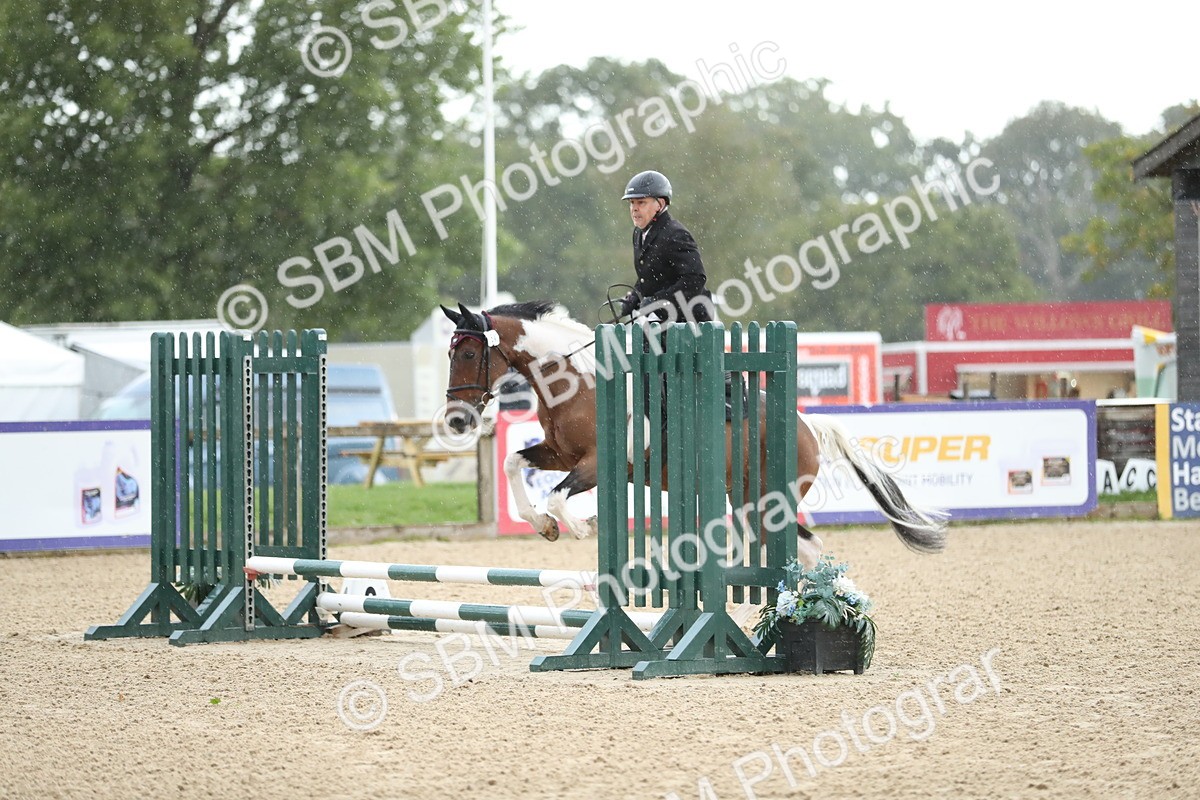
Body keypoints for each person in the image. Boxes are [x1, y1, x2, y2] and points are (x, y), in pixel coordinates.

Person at [617, 170, 716, 325]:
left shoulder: (676, 234)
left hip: (688, 324)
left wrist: (659, 302)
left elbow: (695, 279)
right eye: (632, 203)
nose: (634, 209)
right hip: (660, 322)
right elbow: (650, 274)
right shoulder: (639, 233)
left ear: (660, 204)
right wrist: (635, 296)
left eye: (641, 202)